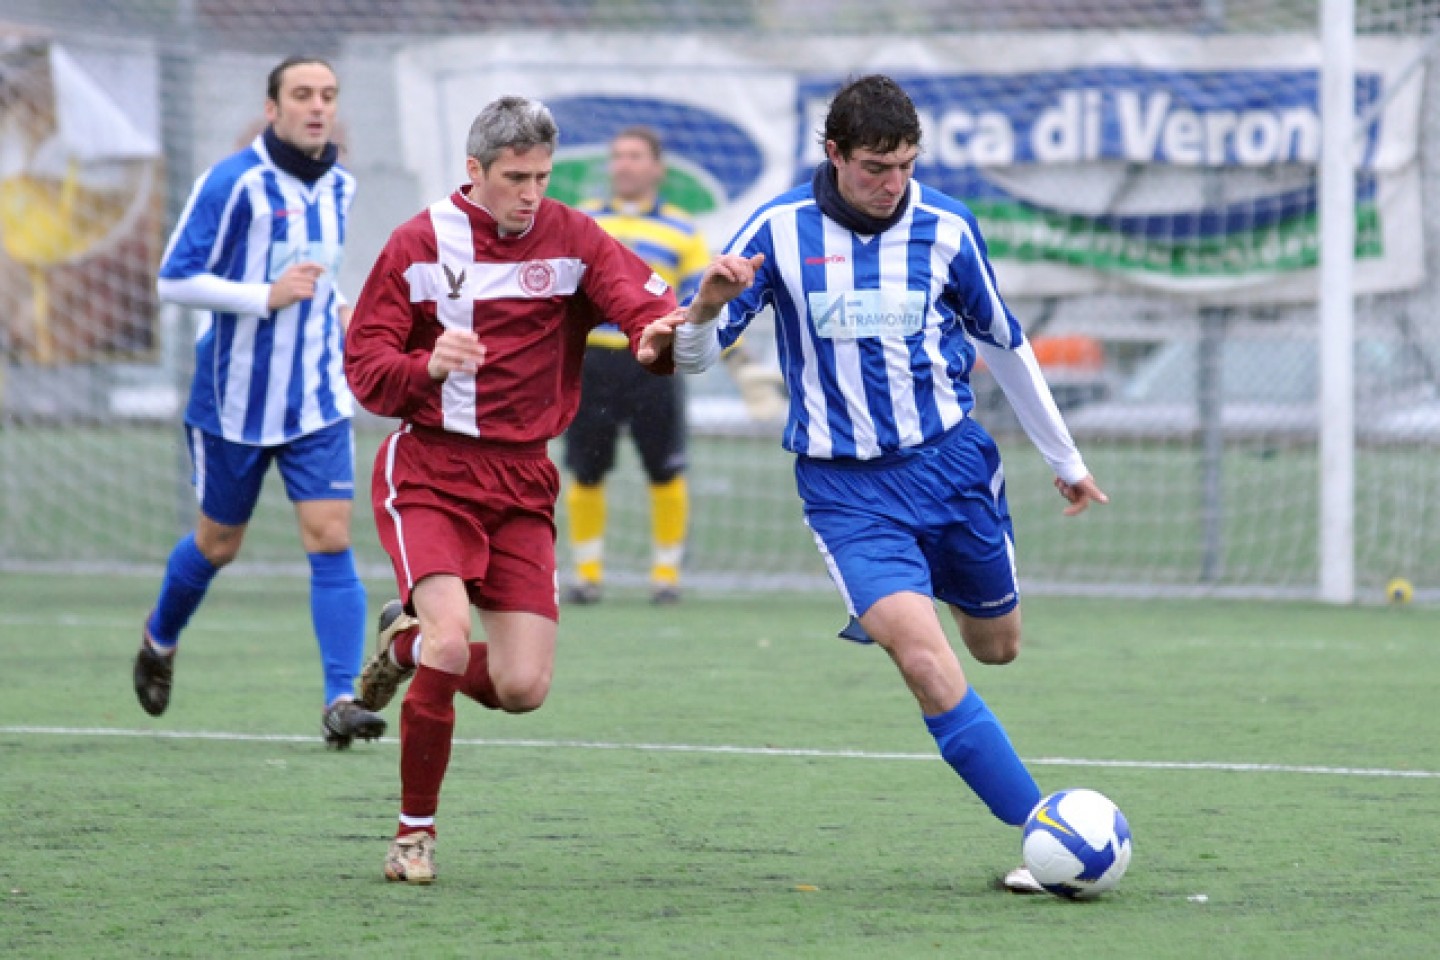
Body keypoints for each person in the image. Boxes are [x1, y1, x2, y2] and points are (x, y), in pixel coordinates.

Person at [651, 74, 1109, 893]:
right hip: (846, 491)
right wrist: (704, 310)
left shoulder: (945, 228)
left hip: (953, 468)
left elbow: (1003, 342)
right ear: (834, 154)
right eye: (873, 167)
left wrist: (1064, 459)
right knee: (926, 663)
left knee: (995, 648)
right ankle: (1053, 839)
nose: (891, 184)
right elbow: (692, 362)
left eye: (903, 165)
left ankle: (936, 583)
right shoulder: (777, 232)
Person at [343, 96, 685, 884]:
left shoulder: (572, 235)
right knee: (455, 639)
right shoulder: (418, 243)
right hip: (429, 469)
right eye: (514, 177)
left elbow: (641, 307)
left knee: (522, 687)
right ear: (475, 172)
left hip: (524, 478)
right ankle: (412, 836)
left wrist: (668, 329)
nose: (531, 193)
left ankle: (407, 645)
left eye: (541, 176)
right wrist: (424, 367)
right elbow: (365, 369)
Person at [133, 56, 385, 750]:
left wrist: (337, 312)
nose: (317, 106)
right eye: (302, 95)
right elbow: (173, 282)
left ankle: (341, 697)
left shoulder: (341, 185)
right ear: (272, 108)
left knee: (331, 538)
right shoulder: (232, 182)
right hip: (234, 402)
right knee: (219, 544)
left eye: (328, 95)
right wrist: (263, 298)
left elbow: (320, 276)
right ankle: (160, 637)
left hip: (318, 399)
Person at [563, 126, 708, 605]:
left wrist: (736, 359)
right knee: (586, 469)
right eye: (617, 156)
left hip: (654, 363)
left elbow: (701, 300)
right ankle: (587, 575)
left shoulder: (684, 229)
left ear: (656, 168)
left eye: (634, 156)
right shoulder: (582, 223)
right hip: (593, 360)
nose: (623, 165)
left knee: (664, 468)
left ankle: (666, 577)